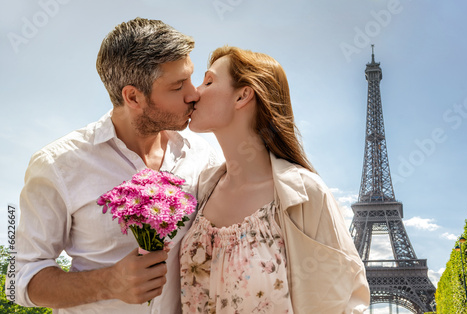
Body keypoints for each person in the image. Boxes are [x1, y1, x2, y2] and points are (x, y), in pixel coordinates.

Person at [12, 18, 219, 313]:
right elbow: (21, 279)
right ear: (133, 96)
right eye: (176, 86)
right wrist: (108, 283)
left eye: (190, 78)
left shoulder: (203, 156)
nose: (193, 93)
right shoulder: (58, 164)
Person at [179, 46, 370, 313]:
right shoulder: (201, 190)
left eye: (208, 81)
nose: (195, 92)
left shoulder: (305, 194)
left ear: (242, 95)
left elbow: (344, 302)